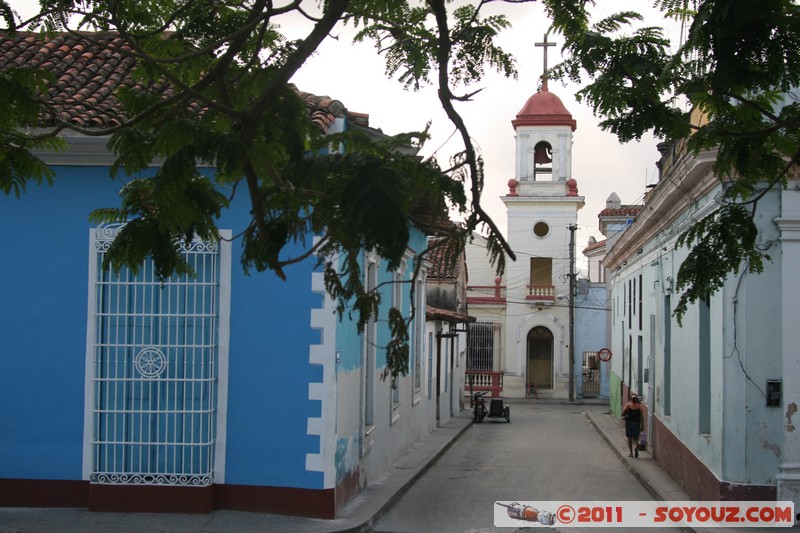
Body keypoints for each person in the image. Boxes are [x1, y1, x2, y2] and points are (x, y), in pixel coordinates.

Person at [622, 394, 645, 458]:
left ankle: (631, 453)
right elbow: (641, 417)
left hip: (629, 423)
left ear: (631, 399)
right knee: (636, 438)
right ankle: (636, 448)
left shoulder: (628, 405)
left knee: (629, 438)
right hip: (636, 423)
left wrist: (625, 416)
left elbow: (623, 414)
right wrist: (642, 425)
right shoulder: (639, 406)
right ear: (636, 399)